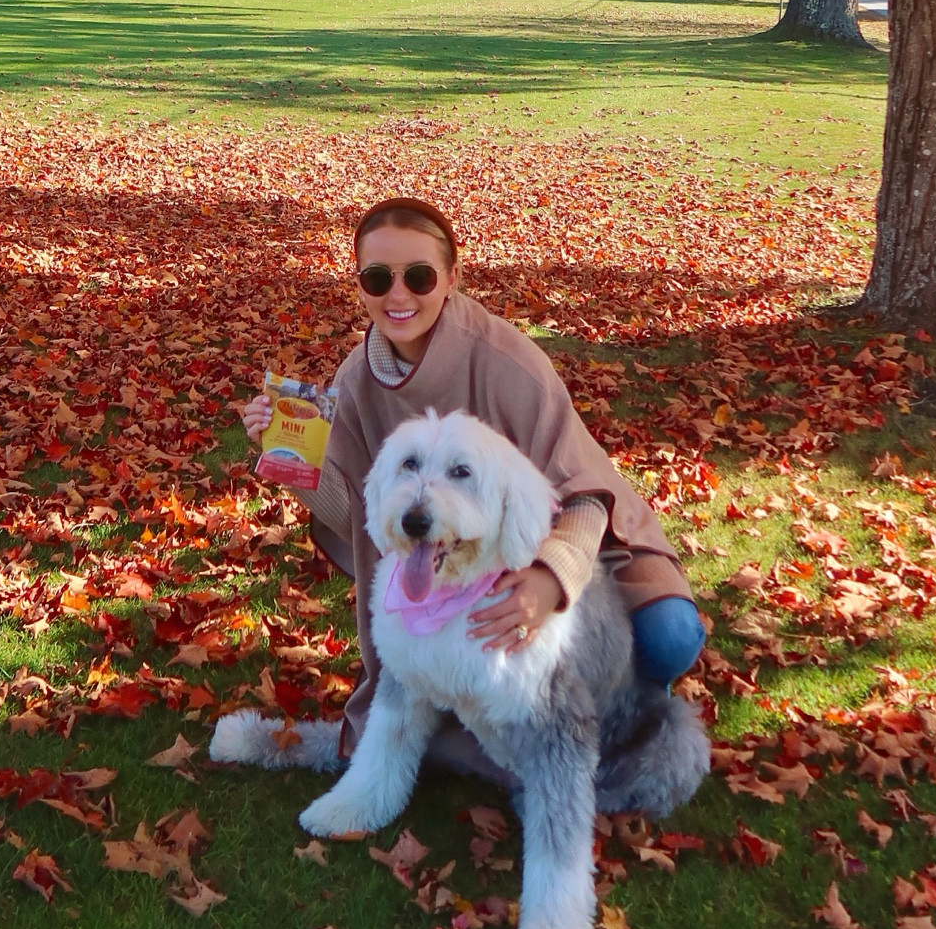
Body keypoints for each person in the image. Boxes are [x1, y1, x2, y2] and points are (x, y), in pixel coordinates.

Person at [242, 196, 703, 769]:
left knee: (669, 635)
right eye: (377, 278)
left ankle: (624, 711)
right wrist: (290, 462)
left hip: (574, 548)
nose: (398, 295)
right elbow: (362, 520)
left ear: (452, 277)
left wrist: (548, 582)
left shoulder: (507, 362)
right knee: (455, 709)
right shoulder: (357, 381)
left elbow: (584, 493)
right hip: (456, 569)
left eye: (419, 275)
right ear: (359, 284)